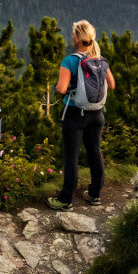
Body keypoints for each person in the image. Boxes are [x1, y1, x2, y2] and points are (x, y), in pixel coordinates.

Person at [48, 20, 116, 210]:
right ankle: (94, 194)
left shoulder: (70, 60)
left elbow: (61, 89)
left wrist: (68, 87)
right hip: (97, 114)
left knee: (72, 157)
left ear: (77, 38)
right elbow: (111, 84)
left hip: (75, 114)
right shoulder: (99, 58)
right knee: (95, 152)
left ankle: (65, 199)